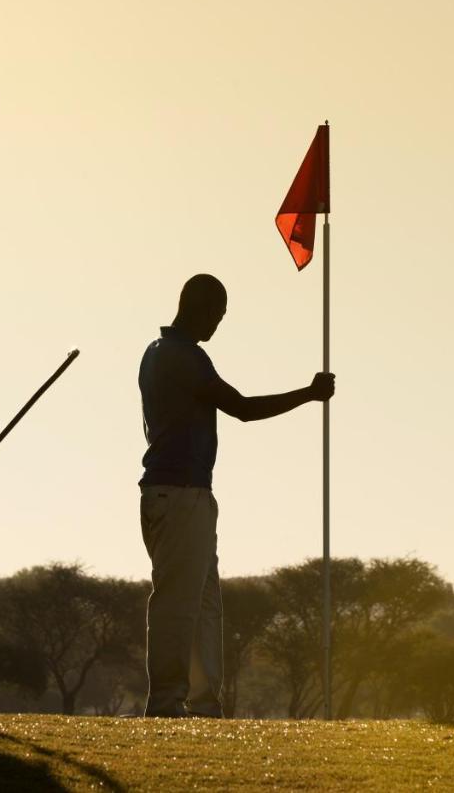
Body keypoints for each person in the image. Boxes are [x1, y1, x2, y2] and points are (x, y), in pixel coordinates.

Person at [137, 273, 334, 718]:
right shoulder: (182, 356)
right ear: (199, 307)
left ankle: (205, 704)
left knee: (204, 602)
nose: (218, 324)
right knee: (176, 602)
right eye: (218, 315)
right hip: (178, 493)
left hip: (189, 494)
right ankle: (166, 703)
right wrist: (310, 393)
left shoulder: (159, 352)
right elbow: (242, 409)